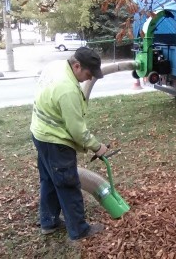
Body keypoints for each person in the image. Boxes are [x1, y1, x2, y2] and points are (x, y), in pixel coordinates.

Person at [30, 47, 109, 241]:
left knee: (49, 179)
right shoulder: (67, 89)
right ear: (77, 66)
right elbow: (77, 131)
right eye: (88, 74)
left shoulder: (56, 66)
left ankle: (48, 222)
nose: (89, 78)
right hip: (55, 140)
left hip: (40, 133)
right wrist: (97, 146)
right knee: (68, 183)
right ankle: (79, 230)